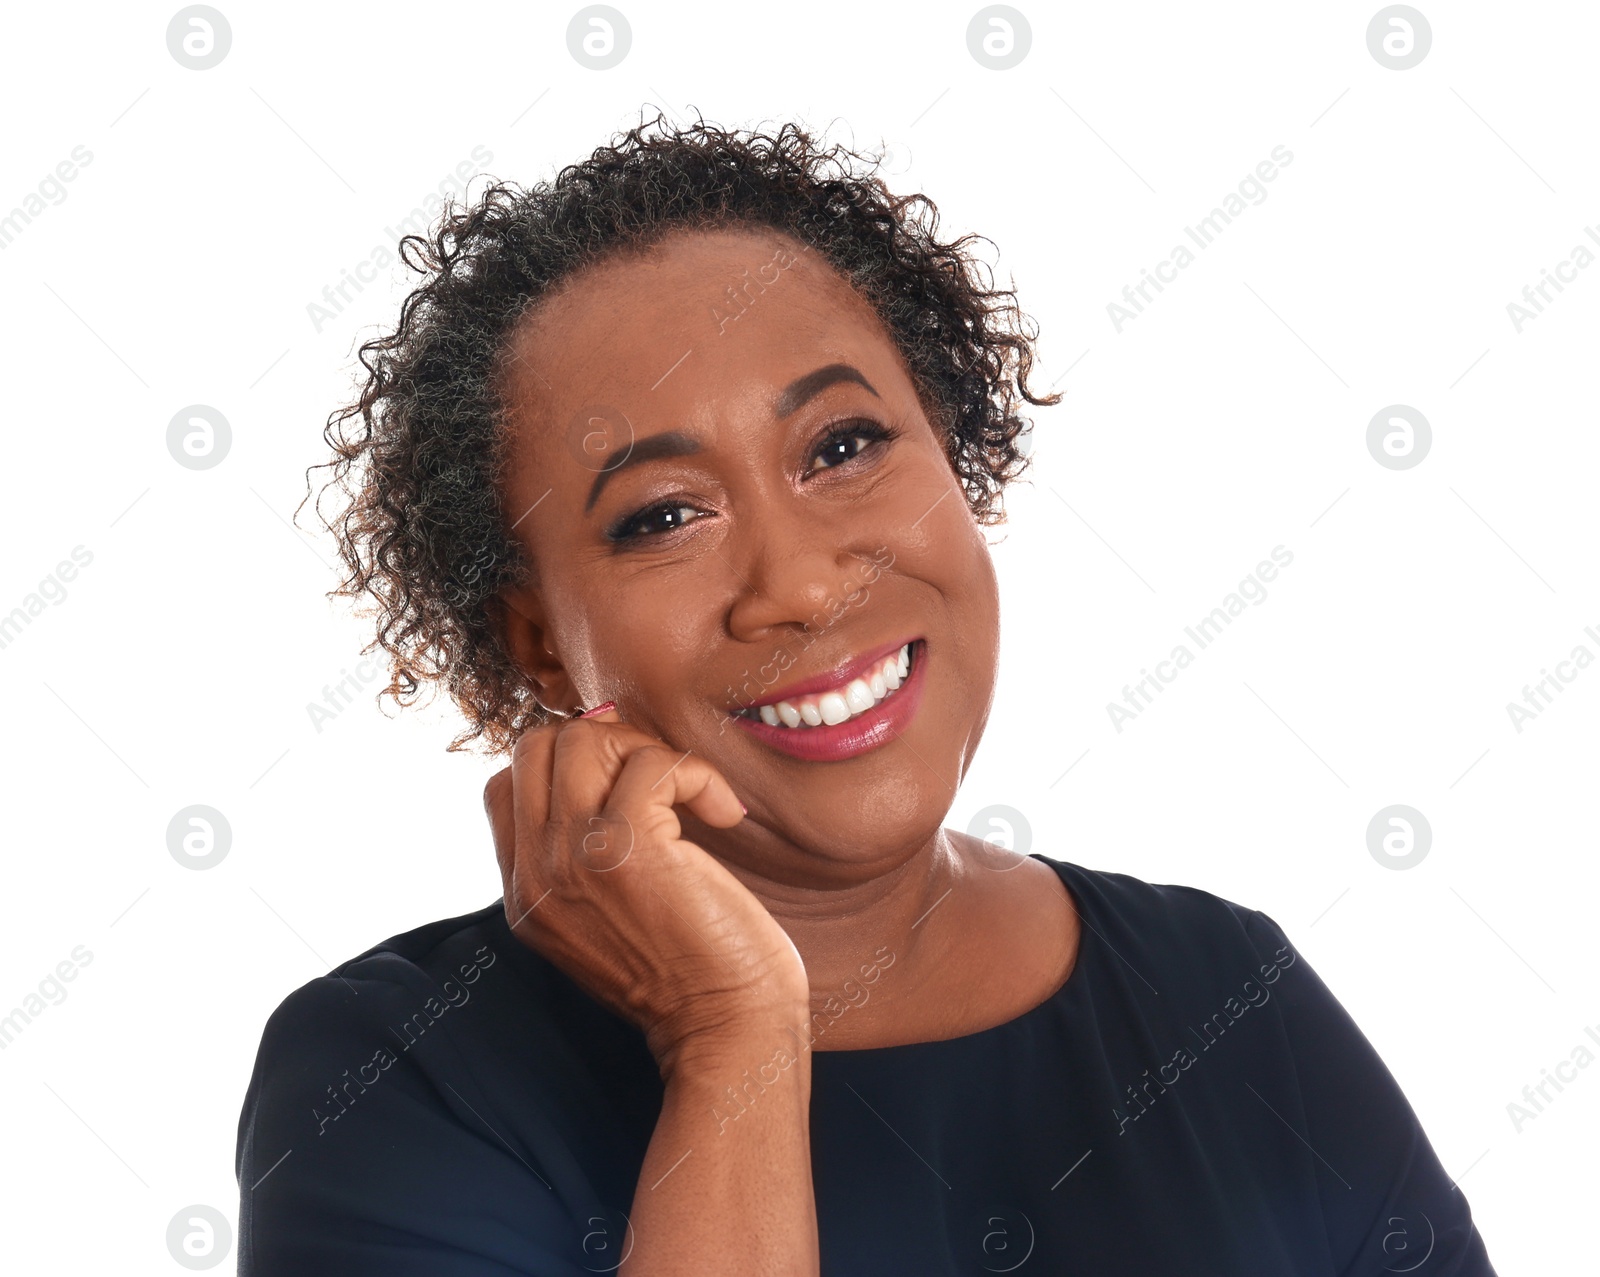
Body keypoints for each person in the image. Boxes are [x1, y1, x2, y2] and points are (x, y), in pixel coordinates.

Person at [236, 112, 1498, 1275]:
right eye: (664, 515)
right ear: (544, 649)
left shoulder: (1227, 989)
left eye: (841, 447)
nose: (796, 582)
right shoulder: (394, 1074)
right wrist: (731, 1034)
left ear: (954, 452)